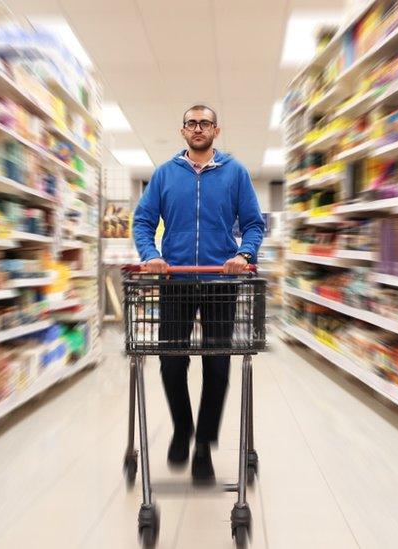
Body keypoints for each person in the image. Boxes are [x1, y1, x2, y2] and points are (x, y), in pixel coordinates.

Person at [132, 104, 265, 483]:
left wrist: (244, 253)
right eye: (191, 123)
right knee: (171, 363)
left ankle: (204, 444)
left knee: (218, 368)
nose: (198, 128)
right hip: (176, 282)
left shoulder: (235, 173)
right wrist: (151, 255)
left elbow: (254, 224)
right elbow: (143, 221)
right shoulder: (164, 175)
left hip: (220, 284)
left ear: (216, 131)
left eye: (205, 122)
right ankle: (181, 429)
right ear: (182, 131)